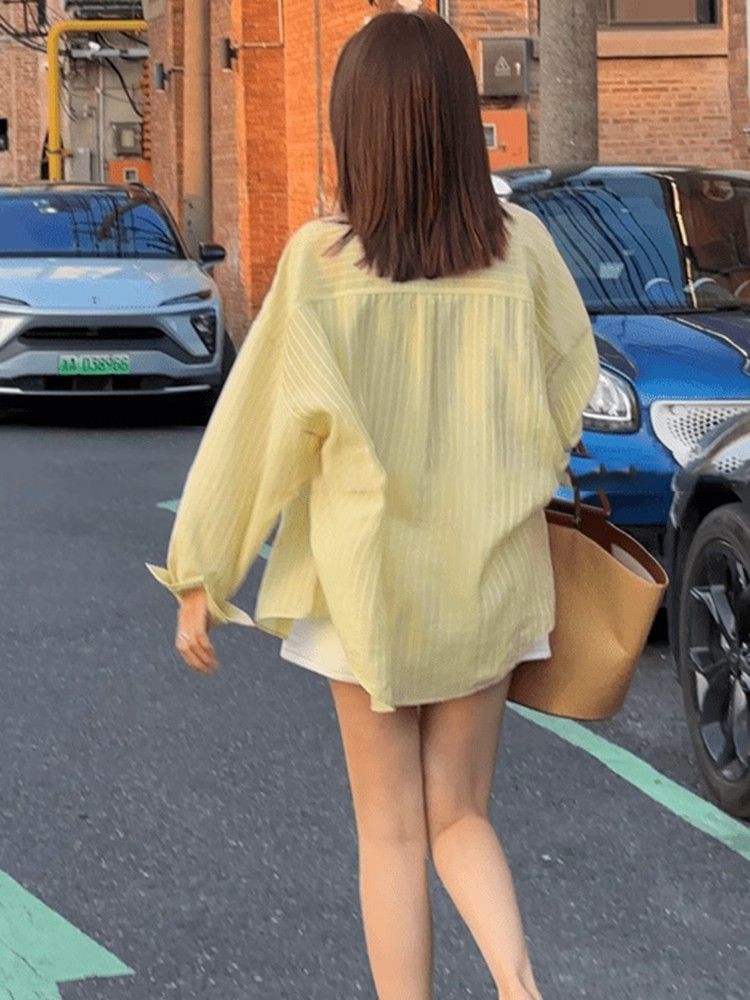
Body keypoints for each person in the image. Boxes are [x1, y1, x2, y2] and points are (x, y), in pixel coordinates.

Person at [146, 10, 599, 999]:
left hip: (366, 588)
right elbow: (573, 388)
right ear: (458, 123)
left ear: (356, 128)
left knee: (389, 830)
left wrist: (201, 572)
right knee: (461, 815)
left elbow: (257, 427)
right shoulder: (522, 250)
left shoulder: (321, 263)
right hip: (488, 573)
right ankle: (520, 985)